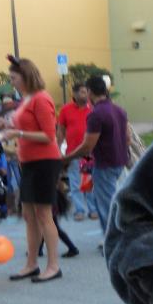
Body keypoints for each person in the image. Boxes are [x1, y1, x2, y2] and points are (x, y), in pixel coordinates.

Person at [0, 56, 63, 282]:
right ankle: (31, 263)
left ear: (26, 77)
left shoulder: (41, 99)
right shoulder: (26, 99)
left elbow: (48, 136)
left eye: (14, 78)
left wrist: (19, 133)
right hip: (28, 162)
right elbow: (25, 125)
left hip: (45, 162)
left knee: (44, 215)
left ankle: (53, 266)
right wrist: (10, 125)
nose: (12, 82)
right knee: (28, 214)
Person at [64, 75, 129, 237]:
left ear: (91, 92)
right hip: (119, 162)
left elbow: (87, 146)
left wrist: (66, 158)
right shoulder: (119, 110)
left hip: (105, 164)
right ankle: (118, 235)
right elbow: (127, 139)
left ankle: (112, 240)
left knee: (105, 206)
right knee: (114, 202)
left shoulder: (96, 114)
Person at [56, 82, 98, 221]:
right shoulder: (66, 110)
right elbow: (61, 131)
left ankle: (92, 209)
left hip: (88, 153)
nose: (85, 94)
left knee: (88, 183)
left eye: (86, 91)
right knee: (75, 184)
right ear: (74, 94)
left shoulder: (92, 109)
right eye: (81, 92)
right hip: (73, 153)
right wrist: (58, 148)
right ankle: (79, 210)